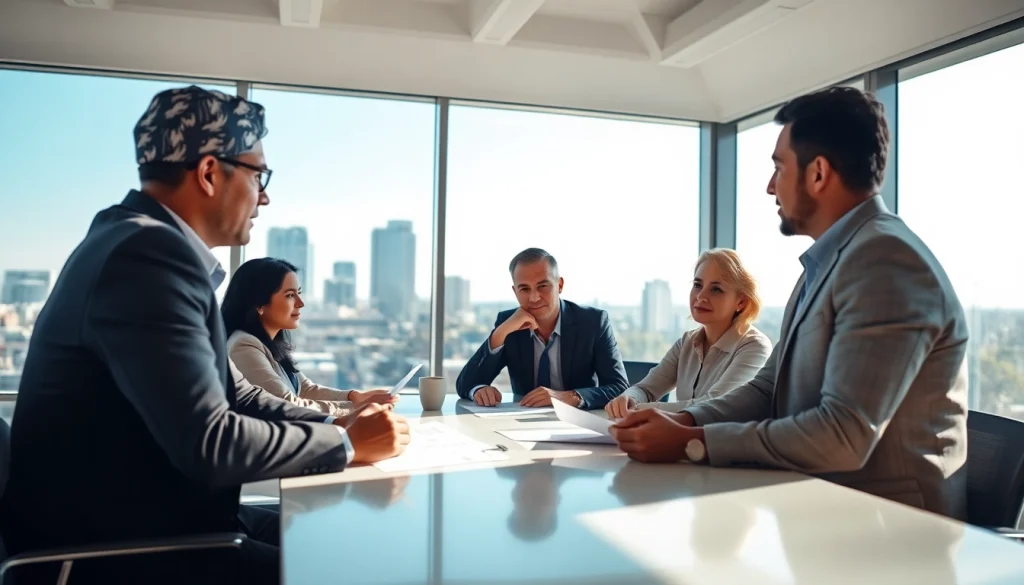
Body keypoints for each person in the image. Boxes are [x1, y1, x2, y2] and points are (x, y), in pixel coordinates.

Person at [0, 86, 410, 585]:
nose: (265, 195)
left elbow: (240, 397)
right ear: (211, 173)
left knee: (347, 537)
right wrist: (344, 446)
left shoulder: (135, 243)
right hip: (108, 556)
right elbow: (211, 442)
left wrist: (348, 421)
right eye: (259, 174)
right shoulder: (146, 258)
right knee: (359, 565)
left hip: (156, 524)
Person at [611, 86, 969, 520]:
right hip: (818, 510)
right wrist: (686, 422)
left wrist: (696, 441)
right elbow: (768, 387)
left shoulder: (885, 261)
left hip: (888, 531)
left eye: (779, 167)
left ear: (817, 174)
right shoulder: (827, 263)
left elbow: (843, 434)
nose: (768, 186)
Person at [605, 248, 771, 418]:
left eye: (716, 289)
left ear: (741, 302)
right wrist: (629, 398)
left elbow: (712, 406)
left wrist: (640, 409)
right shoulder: (687, 342)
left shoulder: (754, 347)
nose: (701, 296)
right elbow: (645, 389)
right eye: (697, 285)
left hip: (726, 444)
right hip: (684, 442)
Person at [455, 248, 629, 410]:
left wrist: (569, 397)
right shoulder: (508, 323)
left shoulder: (593, 322)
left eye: (542, 286)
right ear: (515, 292)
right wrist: (500, 334)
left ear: (559, 285)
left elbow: (619, 388)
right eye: (524, 289)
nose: (534, 297)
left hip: (580, 423)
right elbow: (465, 384)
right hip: (523, 421)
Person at [223, 257, 396, 417]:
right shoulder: (243, 346)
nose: (301, 302)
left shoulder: (269, 342)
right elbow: (287, 405)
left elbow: (306, 389)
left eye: (299, 293)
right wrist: (357, 408)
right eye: (290, 295)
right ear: (260, 304)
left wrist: (354, 397)